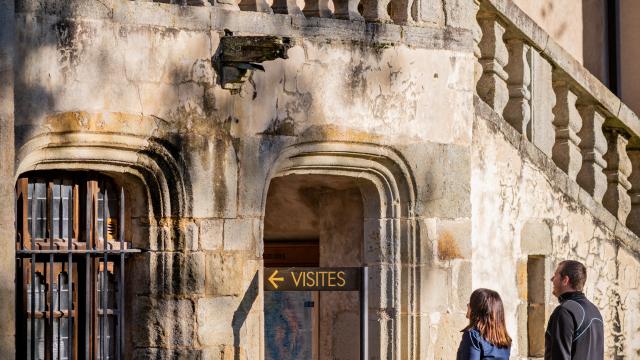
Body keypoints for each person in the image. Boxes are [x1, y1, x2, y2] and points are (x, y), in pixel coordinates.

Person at [545, 260, 604, 360]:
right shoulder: (595, 311)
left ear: (565, 280)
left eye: (555, 275)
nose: (552, 279)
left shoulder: (564, 312)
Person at [457, 288, 511, 360]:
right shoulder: (505, 340)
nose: (468, 305)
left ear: (478, 309)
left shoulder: (473, 336)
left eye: (471, 302)